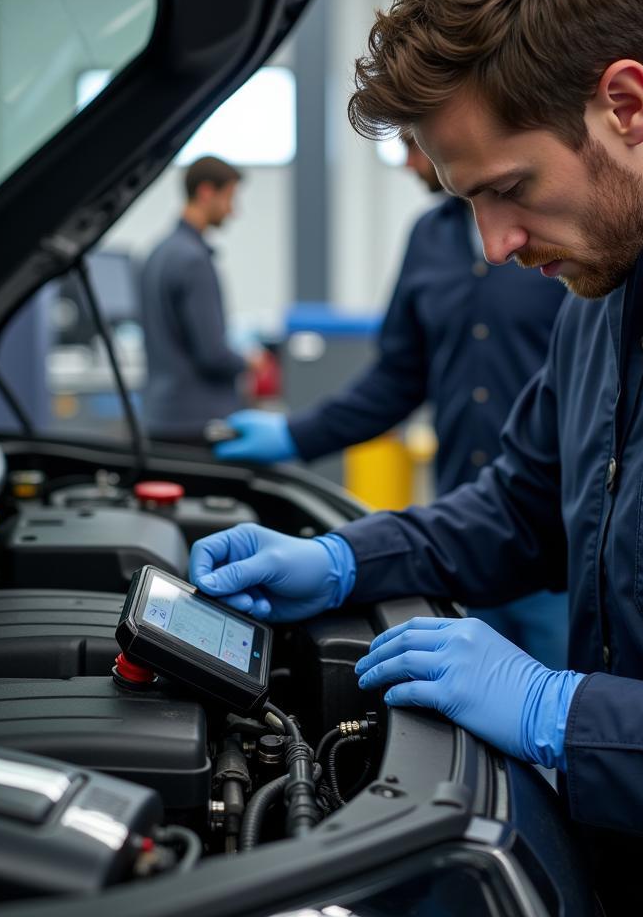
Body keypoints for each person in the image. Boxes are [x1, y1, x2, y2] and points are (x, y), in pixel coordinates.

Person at [186, 0, 643, 913]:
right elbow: (522, 506)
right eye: (465, 201)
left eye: (509, 187)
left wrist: (559, 712)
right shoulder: (611, 274)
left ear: (625, 102)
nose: (493, 246)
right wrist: (347, 558)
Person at [214, 135, 568, 666]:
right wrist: (295, 433)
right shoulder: (429, 237)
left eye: (417, 141)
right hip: (464, 535)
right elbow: (398, 379)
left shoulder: (566, 232)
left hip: (560, 553)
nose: (406, 161)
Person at [139, 156, 256, 441]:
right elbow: (213, 354)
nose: (233, 211)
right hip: (196, 421)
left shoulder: (157, 253)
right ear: (206, 192)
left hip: (161, 416)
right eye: (229, 197)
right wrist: (250, 362)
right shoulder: (194, 260)